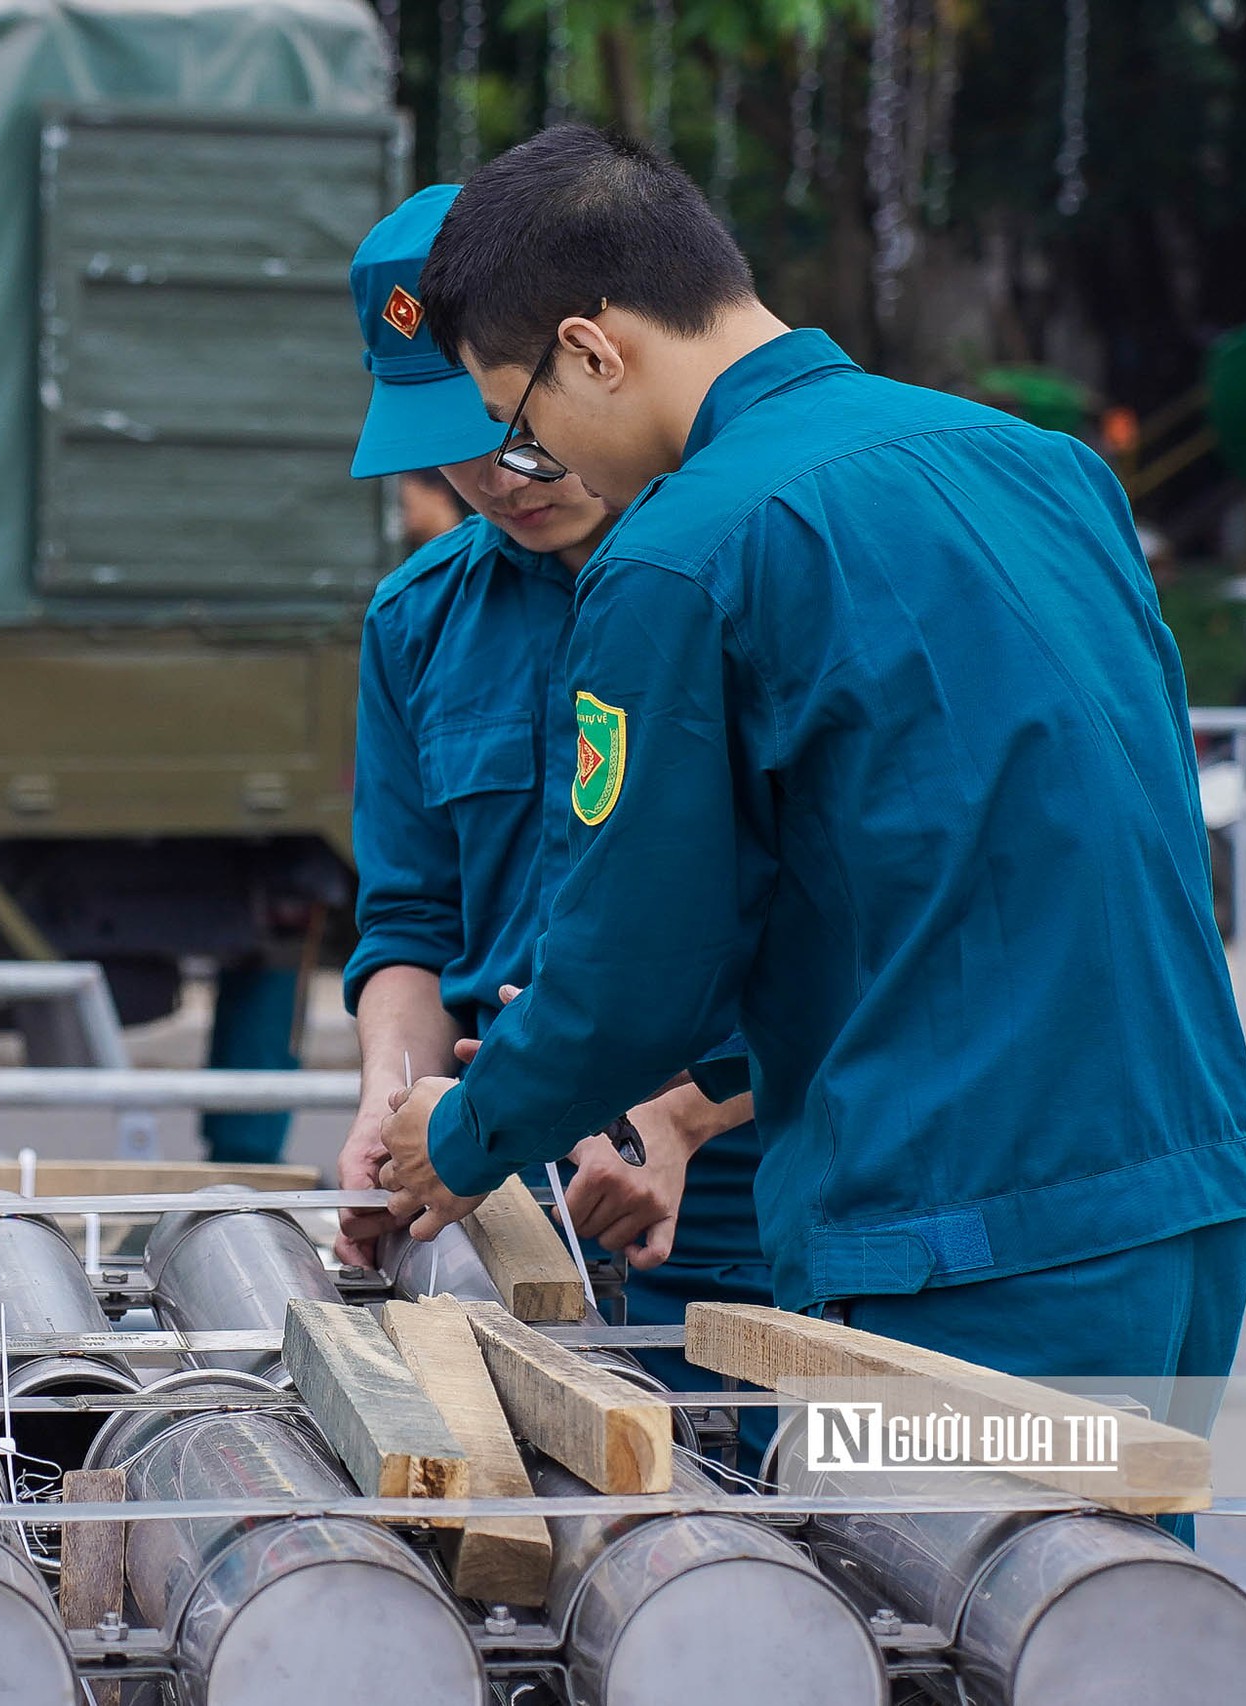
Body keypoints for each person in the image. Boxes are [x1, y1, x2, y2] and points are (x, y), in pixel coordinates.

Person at [378, 127, 1246, 1412]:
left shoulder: (682, 553)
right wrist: (716, 1090)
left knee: (948, 1608)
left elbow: (635, 969)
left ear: (590, 350)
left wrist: (458, 1136)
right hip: (1180, 1203)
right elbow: (990, 862)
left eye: (521, 428)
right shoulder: (1040, 468)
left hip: (952, 1246)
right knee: (1125, 1604)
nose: (532, 469)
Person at [333, 185, 770, 1408]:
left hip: (744, 1194)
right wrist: (394, 1102)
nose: (498, 472)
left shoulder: (739, 572)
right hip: (503, 1197)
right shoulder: (418, 622)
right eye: (455, 441)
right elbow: (410, 921)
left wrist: (683, 1111)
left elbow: (857, 912)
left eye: (508, 420)